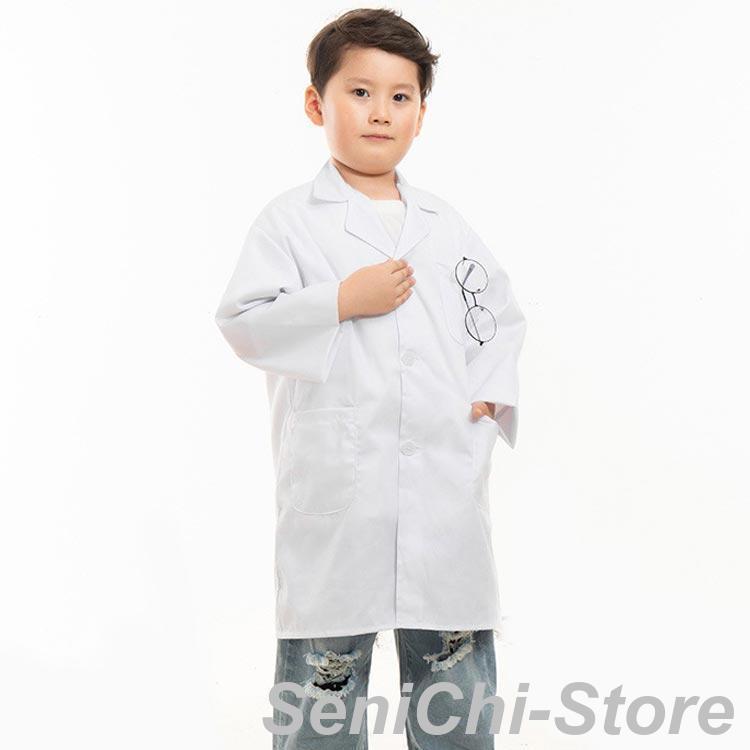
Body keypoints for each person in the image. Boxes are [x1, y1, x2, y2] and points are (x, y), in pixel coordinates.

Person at [214, 8, 527, 748]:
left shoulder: (444, 224)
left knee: (454, 687)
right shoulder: (290, 221)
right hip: (338, 494)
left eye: (400, 96)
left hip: (441, 487)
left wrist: (489, 392)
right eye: (360, 92)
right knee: (323, 692)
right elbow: (243, 322)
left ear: (421, 113)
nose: (380, 112)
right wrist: (339, 302)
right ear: (316, 104)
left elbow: (496, 314)